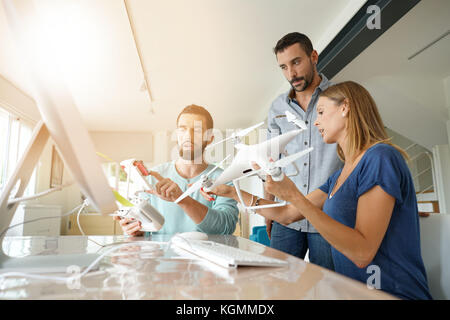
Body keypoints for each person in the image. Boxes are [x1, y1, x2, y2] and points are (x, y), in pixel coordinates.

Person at [205, 81, 432, 300]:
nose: (315, 122)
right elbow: (287, 214)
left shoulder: (380, 157)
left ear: (345, 108)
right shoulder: (340, 176)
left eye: (321, 112)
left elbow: (363, 253)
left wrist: (294, 194)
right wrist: (234, 193)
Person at [265, 32, 342, 269]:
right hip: (286, 218)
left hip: (327, 216)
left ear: (314, 56)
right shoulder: (276, 108)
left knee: (330, 287)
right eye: (284, 67)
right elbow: (270, 162)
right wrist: (269, 210)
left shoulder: (340, 97)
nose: (291, 74)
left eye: (296, 62)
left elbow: (359, 155)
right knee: (276, 284)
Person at [114, 104, 239, 236]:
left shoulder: (224, 179)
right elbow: (143, 230)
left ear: (209, 139)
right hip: (162, 255)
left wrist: (182, 199)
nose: (188, 136)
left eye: (196, 130)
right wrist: (135, 230)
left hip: (206, 255)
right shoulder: (152, 177)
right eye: (182, 129)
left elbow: (225, 228)